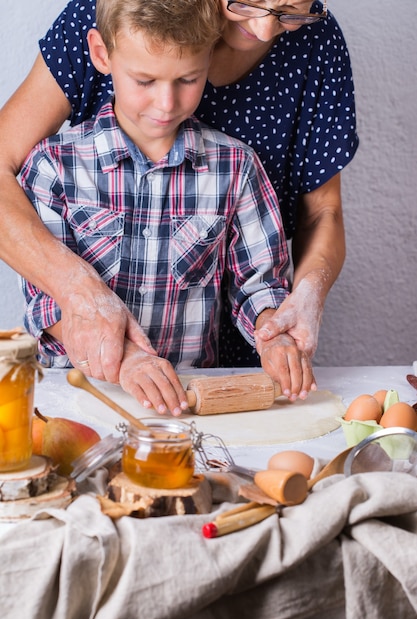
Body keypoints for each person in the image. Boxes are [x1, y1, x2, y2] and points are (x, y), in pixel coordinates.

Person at [0, 0, 358, 391]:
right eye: (250, 2)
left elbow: (274, 266)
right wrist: (112, 339)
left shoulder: (236, 164)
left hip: (200, 384)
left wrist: (282, 324)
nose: (264, 29)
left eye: (290, 10)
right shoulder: (53, 164)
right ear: (102, 54)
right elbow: (46, 302)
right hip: (80, 388)